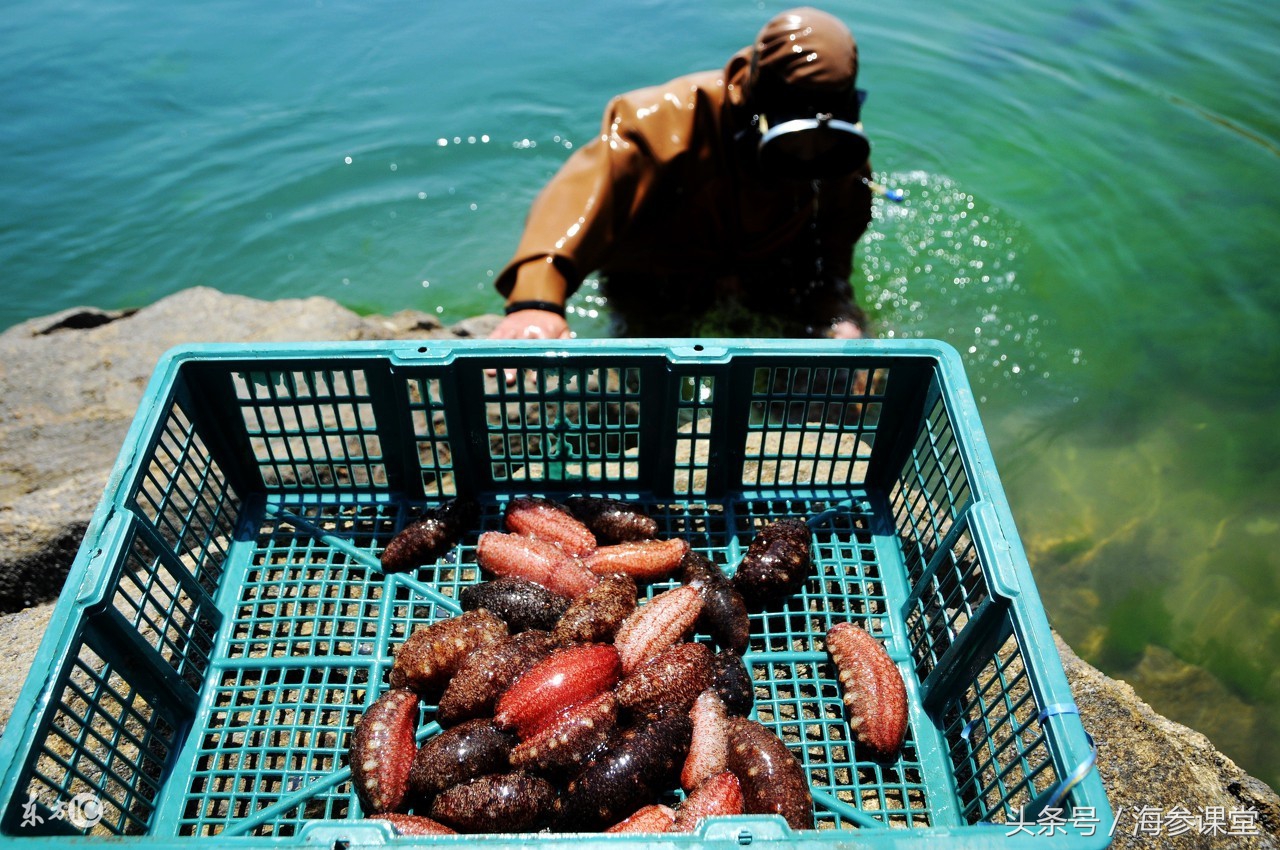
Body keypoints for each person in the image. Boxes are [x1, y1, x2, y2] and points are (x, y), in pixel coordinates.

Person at [489, 6, 875, 342]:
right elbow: (579, 200)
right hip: (658, 284)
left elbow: (833, 246)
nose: (808, 161)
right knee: (648, 392)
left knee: (843, 379)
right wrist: (536, 302)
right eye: (793, 147)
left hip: (768, 279)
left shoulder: (838, 151)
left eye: (819, 149)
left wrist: (834, 309)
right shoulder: (661, 123)